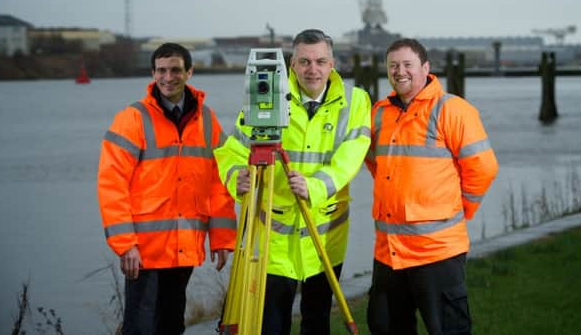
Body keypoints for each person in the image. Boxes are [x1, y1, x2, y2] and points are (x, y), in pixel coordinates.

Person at [213, 29, 371, 335]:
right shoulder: (268, 95)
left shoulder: (355, 101)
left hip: (324, 237)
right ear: (292, 64)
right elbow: (232, 149)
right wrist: (237, 177)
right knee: (271, 323)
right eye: (305, 62)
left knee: (317, 321)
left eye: (321, 61)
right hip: (273, 240)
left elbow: (351, 157)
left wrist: (314, 187)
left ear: (332, 63)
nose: (313, 69)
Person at [97, 43, 237, 335]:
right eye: (161, 70)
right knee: (140, 327)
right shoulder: (132, 119)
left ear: (189, 72)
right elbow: (112, 184)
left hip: (183, 245)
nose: (168, 77)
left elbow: (219, 181)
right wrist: (125, 245)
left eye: (175, 70)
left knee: (172, 323)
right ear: (152, 73)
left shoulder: (206, 120)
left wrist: (222, 238)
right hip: (143, 251)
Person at [365, 38, 499, 335]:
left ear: (425, 68)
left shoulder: (452, 109)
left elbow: (484, 168)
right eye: (393, 66)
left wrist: (462, 208)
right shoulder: (378, 113)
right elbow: (376, 164)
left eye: (407, 64)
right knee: (384, 326)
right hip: (388, 254)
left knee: (448, 330)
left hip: (437, 252)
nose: (400, 71)